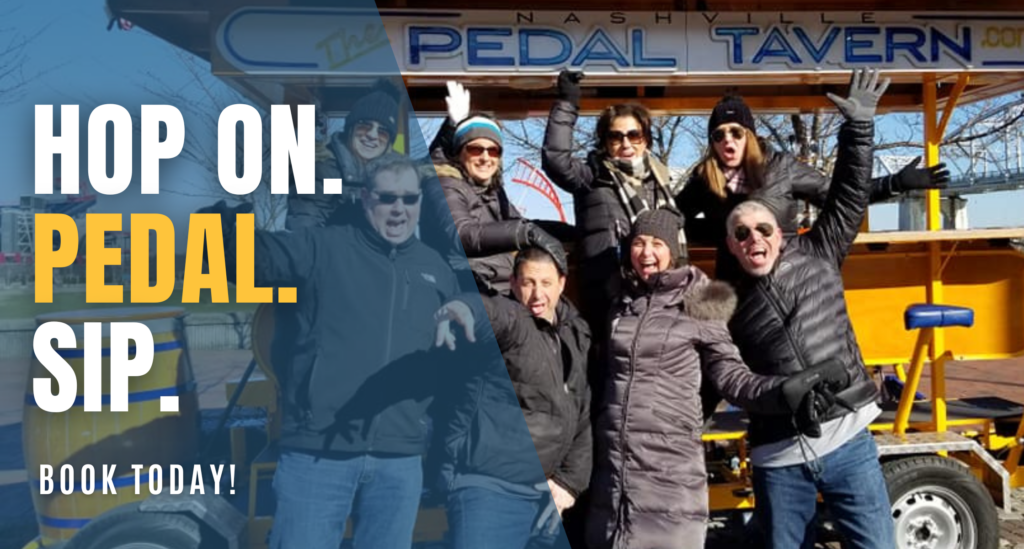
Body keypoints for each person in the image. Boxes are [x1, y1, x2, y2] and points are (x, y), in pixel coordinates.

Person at [207, 154, 479, 549]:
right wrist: (219, 228)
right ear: (366, 198)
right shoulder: (323, 248)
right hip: (317, 455)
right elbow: (248, 260)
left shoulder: (434, 269)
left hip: (399, 458)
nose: (399, 208)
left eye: (409, 198)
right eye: (388, 198)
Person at [587, 209, 832, 549]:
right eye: (639, 243)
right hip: (614, 473)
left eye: (657, 243)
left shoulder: (700, 301)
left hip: (667, 466)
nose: (646, 252)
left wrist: (779, 392)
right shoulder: (623, 305)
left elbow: (729, 374)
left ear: (673, 251)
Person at [724, 69, 896, 549]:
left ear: (781, 232)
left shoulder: (820, 252)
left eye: (762, 229)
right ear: (731, 247)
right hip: (778, 459)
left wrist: (858, 129)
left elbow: (846, 194)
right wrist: (781, 394)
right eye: (741, 233)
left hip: (849, 442)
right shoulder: (724, 302)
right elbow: (726, 377)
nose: (754, 238)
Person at [677, 90, 950, 283]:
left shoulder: (781, 167)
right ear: (712, 141)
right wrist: (721, 233)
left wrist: (895, 183)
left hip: (786, 279)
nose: (728, 140)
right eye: (719, 134)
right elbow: (676, 218)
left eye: (736, 132)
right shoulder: (705, 178)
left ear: (749, 135)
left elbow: (840, 197)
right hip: (734, 288)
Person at [437, 244, 590, 549]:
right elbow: (492, 313)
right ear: (513, 283)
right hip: (490, 490)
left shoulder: (575, 333)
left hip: (547, 496)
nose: (537, 295)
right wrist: (463, 309)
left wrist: (569, 483)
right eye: (528, 283)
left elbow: (582, 413)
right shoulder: (515, 320)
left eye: (546, 283)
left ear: (562, 282)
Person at [541, 70, 681, 345]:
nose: (625, 143)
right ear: (605, 142)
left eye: (634, 135)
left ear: (646, 139)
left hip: (660, 291)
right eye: (615, 137)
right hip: (609, 292)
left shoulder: (661, 180)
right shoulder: (593, 176)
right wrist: (568, 102)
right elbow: (556, 160)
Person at [426, 82, 573, 295]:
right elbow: (462, 234)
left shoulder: (491, 191)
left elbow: (518, 224)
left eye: (493, 151)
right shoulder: (447, 185)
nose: (485, 157)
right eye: (476, 149)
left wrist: (575, 232)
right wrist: (526, 233)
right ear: (460, 153)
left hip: (504, 284)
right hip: (472, 289)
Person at [287, 79, 402, 230]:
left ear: (389, 143)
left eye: (382, 131)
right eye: (364, 125)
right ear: (350, 128)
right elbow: (306, 223)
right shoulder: (325, 171)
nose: (372, 135)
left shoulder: (401, 175)